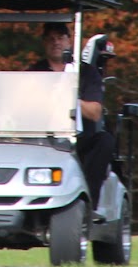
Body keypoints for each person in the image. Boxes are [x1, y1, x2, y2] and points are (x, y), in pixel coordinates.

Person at [28, 20, 114, 215]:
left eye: (60, 38)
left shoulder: (86, 72)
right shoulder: (34, 72)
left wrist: (69, 98)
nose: (56, 42)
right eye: (51, 39)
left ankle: (90, 206)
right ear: (44, 42)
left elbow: (95, 112)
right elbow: (21, 105)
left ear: (69, 41)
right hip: (41, 137)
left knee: (105, 141)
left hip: (78, 138)